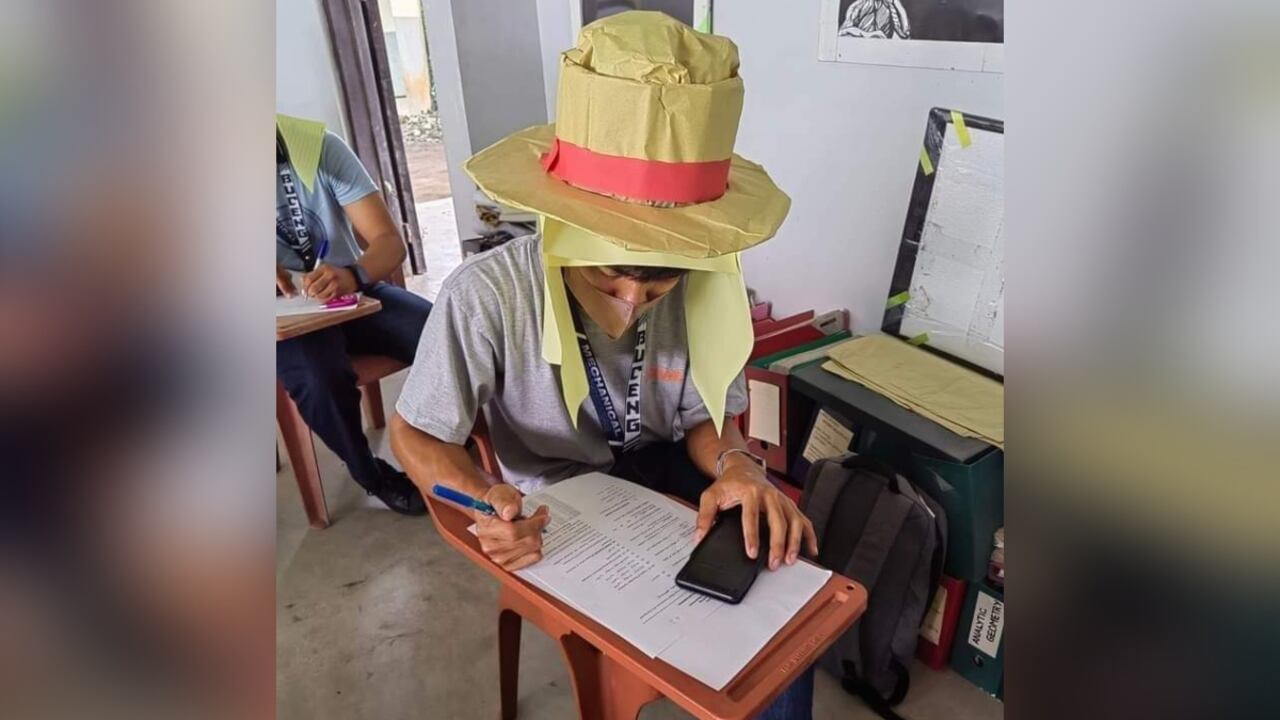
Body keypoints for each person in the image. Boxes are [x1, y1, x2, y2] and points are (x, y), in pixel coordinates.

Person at [390, 12, 817, 717]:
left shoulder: (710, 289)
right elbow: (415, 432)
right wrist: (480, 498)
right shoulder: (487, 295)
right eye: (605, 276)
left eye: (658, 285)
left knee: (783, 590)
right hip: (555, 498)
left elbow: (707, 417)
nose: (629, 305)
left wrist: (739, 465)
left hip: (663, 467)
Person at [276, 115, 431, 515]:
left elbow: (389, 242)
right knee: (318, 376)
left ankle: (449, 439)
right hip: (282, 320)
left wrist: (352, 275)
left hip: (352, 293)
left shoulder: (317, 147)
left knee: (440, 332)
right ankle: (370, 474)